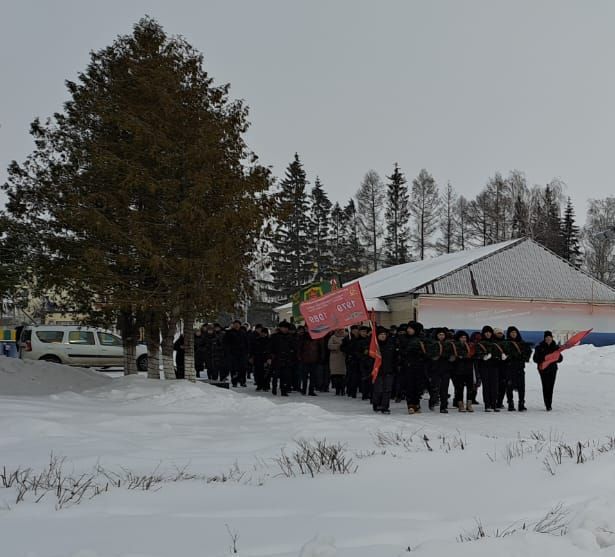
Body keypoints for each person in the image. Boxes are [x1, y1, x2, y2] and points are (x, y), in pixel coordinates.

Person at [398, 321, 427, 414]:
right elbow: (401, 351)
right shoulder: (403, 338)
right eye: (408, 328)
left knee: (418, 386)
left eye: (411, 328)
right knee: (409, 385)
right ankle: (410, 404)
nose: (408, 330)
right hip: (408, 366)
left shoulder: (422, 339)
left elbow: (427, 352)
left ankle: (416, 403)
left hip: (419, 366)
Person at [533, 330, 562, 411]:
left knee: (551, 387)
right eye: (547, 338)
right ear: (544, 338)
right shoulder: (539, 347)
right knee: (545, 386)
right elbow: (535, 359)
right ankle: (547, 404)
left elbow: (560, 359)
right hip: (543, 370)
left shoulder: (555, 347)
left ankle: (549, 403)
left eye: (550, 337)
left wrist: (557, 355)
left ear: (552, 338)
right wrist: (545, 358)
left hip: (553, 369)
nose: (548, 339)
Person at [504, 326, 532, 411]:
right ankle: (510, 404)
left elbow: (528, 353)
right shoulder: (506, 343)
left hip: (519, 367)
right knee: (509, 386)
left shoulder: (522, 343)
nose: (513, 334)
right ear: (509, 334)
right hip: (509, 367)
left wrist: (523, 357)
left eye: (515, 332)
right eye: (511, 333)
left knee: (521, 386)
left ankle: (521, 403)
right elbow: (504, 354)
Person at [427, 328, 454, 413]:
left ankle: (444, 406)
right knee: (435, 387)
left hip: (446, 368)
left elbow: (451, 354)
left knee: (444, 388)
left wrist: (451, 358)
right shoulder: (432, 343)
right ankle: (432, 401)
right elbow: (429, 355)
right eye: (439, 335)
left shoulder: (448, 344)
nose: (441, 336)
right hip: (435, 369)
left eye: (443, 335)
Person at [475, 326, 501, 412]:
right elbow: (477, 354)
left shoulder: (495, 343)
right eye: (486, 332)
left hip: (494, 366)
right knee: (486, 386)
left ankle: (494, 404)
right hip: (484, 367)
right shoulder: (480, 343)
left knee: (495, 386)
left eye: (489, 332)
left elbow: (499, 352)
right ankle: (487, 405)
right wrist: (483, 357)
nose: (488, 334)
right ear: (483, 333)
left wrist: (500, 357)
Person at [371, 326, 397, 414]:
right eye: (381, 334)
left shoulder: (390, 345)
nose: (383, 336)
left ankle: (385, 406)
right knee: (378, 389)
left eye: (384, 334)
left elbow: (395, 358)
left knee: (387, 389)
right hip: (378, 370)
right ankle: (376, 404)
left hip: (389, 370)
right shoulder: (374, 346)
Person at [269, 321, 296, 396]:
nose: (284, 329)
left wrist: (292, 354)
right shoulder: (275, 336)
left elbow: (294, 347)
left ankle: (283, 390)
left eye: (286, 328)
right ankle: (274, 388)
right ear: (280, 328)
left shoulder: (290, 337)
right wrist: (270, 357)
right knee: (275, 375)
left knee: (285, 376)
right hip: (277, 358)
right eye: (283, 328)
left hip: (287, 359)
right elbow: (270, 347)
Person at [451, 330, 475, 412]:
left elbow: (472, 355)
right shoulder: (454, 346)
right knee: (459, 388)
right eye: (462, 337)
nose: (463, 339)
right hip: (458, 370)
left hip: (469, 370)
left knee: (470, 388)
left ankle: (469, 404)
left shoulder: (470, 345)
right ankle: (460, 404)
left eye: (465, 337)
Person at [297, 329, 325, 396]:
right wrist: (299, 357)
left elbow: (321, 348)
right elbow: (299, 348)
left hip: (314, 360)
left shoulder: (318, 337)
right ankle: (304, 390)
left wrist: (321, 358)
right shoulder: (303, 337)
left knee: (313, 377)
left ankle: (310, 390)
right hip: (305, 359)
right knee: (305, 377)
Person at [224, 320, 250, 387]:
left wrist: (247, 352)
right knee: (234, 369)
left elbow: (247, 343)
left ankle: (242, 382)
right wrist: (228, 352)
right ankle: (234, 382)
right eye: (235, 324)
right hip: (233, 354)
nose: (236, 325)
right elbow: (226, 343)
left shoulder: (243, 333)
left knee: (243, 369)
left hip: (242, 354)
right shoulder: (229, 333)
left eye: (238, 324)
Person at [342, 325, 361, 398]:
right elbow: (342, 348)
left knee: (357, 377)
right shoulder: (347, 338)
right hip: (350, 360)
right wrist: (348, 350)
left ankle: (355, 390)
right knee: (351, 376)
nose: (356, 331)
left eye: (357, 330)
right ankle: (350, 391)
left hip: (359, 359)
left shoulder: (359, 338)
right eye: (354, 330)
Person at [328, 329, 347, 396]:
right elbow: (329, 346)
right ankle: (337, 389)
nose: (340, 332)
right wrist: (338, 346)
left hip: (343, 358)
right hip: (335, 358)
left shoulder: (346, 337)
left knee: (343, 376)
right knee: (336, 376)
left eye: (341, 330)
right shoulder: (332, 337)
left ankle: (343, 389)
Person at [251, 327, 271, 391]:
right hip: (258, 358)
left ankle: (266, 386)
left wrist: (269, 358)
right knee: (258, 373)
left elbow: (270, 350)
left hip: (266, 358)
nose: (263, 334)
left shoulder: (269, 340)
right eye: (262, 333)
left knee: (266, 373)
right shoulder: (257, 340)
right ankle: (259, 385)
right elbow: (253, 349)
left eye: (265, 333)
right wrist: (252, 357)